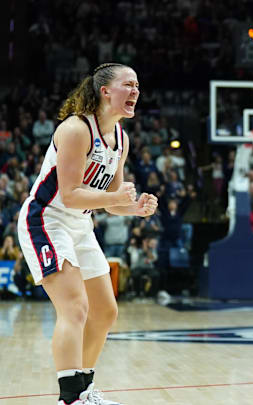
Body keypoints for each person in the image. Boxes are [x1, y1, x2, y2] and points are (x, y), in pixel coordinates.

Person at [16, 63, 157, 405]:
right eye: (129, 84)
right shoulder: (76, 129)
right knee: (75, 309)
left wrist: (134, 207)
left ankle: (84, 389)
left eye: (137, 85)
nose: (136, 91)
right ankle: (70, 398)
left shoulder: (120, 139)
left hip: (80, 224)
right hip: (46, 220)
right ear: (105, 91)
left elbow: (111, 202)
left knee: (106, 312)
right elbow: (70, 194)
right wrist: (115, 197)